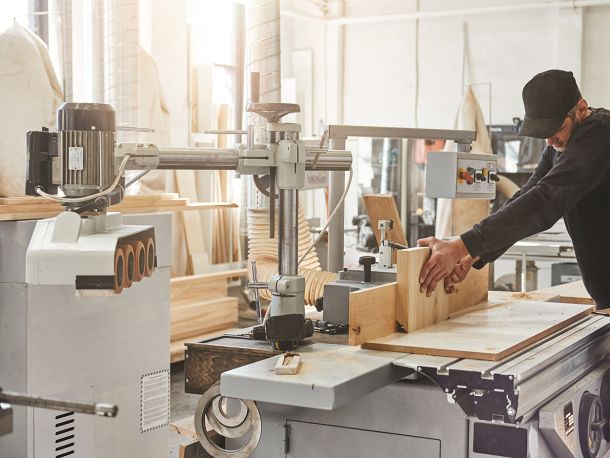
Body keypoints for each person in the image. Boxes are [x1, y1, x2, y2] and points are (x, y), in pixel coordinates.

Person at [418, 69, 610, 309]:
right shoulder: (560, 144)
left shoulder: (601, 135)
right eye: (543, 135)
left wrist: (459, 246)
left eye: (555, 130)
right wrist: (474, 255)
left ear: (581, 108)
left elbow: (544, 202)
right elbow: (527, 195)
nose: (549, 142)